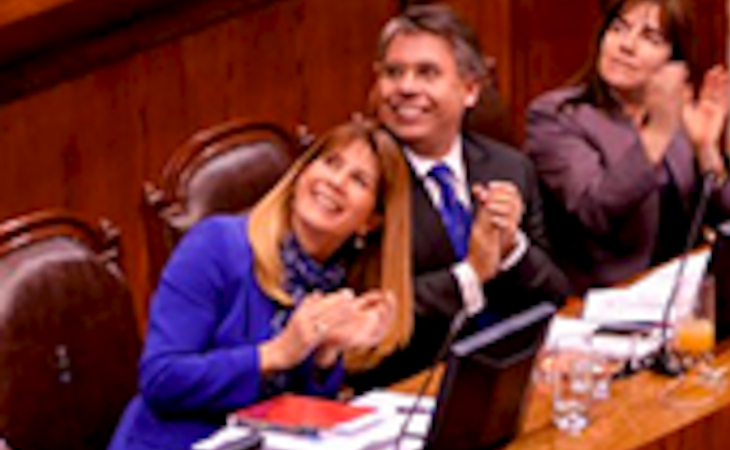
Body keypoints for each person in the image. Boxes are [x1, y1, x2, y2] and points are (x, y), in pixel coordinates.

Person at [109, 119, 413, 450]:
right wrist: (275, 353)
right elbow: (161, 379)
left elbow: (302, 424)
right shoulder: (216, 245)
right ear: (302, 172)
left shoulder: (336, 285)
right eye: (331, 163)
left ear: (371, 221)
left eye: (358, 180)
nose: (336, 182)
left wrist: (326, 355)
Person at [352, 4, 570, 389]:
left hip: (512, 374)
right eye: (393, 72)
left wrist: (512, 249)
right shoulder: (361, 178)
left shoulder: (508, 167)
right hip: (410, 387)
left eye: (427, 73)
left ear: (470, 90)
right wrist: (470, 275)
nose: (406, 88)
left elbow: (554, 295)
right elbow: (367, 312)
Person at [524, 0, 730, 292]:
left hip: (677, 286)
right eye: (618, 28)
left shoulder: (677, 111)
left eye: (649, 38)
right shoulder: (556, 117)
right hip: (602, 297)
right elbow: (594, 209)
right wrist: (657, 135)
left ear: (674, 61)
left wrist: (706, 150)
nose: (626, 46)